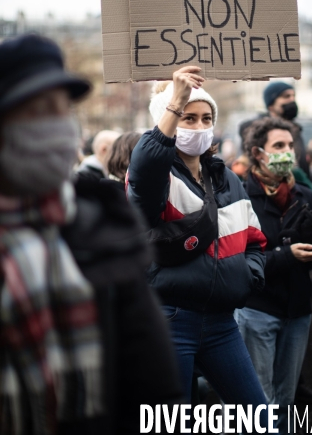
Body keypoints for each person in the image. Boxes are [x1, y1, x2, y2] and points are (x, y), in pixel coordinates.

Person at [0, 33, 183, 435]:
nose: (56, 126)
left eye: (62, 110)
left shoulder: (102, 224)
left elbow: (151, 384)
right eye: (36, 111)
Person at [127, 66, 269, 431]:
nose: (199, 126)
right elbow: (145, 167)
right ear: (168, 120)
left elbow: (255, 240)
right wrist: (175, 99)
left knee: (261, 421)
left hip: (223, 324)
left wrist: (246, 277)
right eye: (188, 118)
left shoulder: (229, 180)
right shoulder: (156, 179)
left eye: (206, 118)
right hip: (172, 322)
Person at [234, 116, 312, 434]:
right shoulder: (241, 197)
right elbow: (241, 260)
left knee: (286, 400)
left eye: (290, 145)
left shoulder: (304, 195)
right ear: (258, 153)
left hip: (298, 310)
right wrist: (286, 255)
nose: (288, 151)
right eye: (279, 146)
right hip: (259, 309)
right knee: (259, 400)